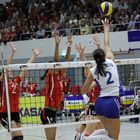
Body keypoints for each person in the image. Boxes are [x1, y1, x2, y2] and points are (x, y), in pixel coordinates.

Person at [81, 19, 120, 140]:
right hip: (111, 101)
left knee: (107, 133)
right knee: (114, 138)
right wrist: (106, 29)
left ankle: (84, 138)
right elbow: (107, 43)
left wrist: (94, 84)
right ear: (104, 55)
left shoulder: (93, 70)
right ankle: (86, 139)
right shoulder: (110, 59)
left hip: (99, 103)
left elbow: (83, 90)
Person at [0, 43, 40, 140]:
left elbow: (26, 67)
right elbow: (6, 67)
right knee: (16, 132)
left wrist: (33, 56)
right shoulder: (2, 82)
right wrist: (13, 53)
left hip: (15, 112)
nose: (10, 71)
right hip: (5, 113)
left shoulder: (16, 81)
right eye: (8, 71)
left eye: (11, 71)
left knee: (19, 136)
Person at [40, 32, 73, 140]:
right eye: (55, 66)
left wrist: (69, 46)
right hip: (47, 111)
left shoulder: (60, 74)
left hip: (53, 112)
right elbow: (55, 61)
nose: (57, 67)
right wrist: (57, 45)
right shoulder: (50, 74)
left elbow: (67, 61)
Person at [74, 36, 104, 140]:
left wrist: (98, 46)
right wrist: (82, 55)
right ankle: (79, 136)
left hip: (102, 105)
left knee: (100, 132)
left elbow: (102, 60)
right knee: (89, 132)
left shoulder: (103, 73)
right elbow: (87, 69)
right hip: (93, 106)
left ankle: (78, 136)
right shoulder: (93, 75)